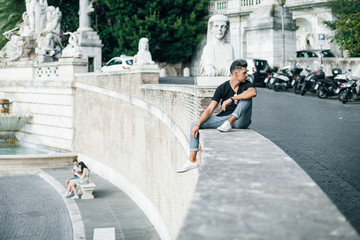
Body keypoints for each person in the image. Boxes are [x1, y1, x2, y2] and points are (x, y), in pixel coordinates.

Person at [177, 59, 257, 173]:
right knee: (194, 123)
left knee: (247, 97)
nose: (247, 75)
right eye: (244, 73)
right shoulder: (222, 88)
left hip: (240, 120)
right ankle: (192, 160)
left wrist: (232, 98)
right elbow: (210, 109)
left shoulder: (247, 84)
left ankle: (230, 122)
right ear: (235, 74)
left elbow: (253, 92)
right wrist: (199, 124)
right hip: (224, 119)